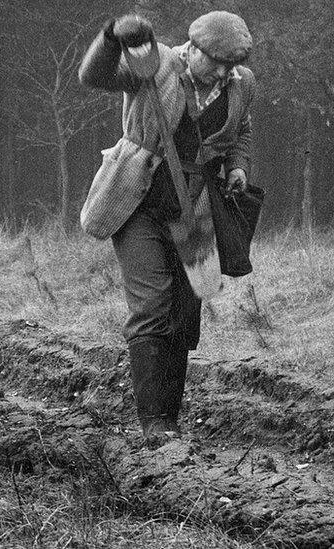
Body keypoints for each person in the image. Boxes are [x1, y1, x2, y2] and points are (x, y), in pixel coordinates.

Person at [77, 12, 256, 440]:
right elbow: (95, 76)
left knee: (184, 312)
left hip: (194, 210)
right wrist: (110, 38)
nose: (222, 72)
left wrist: (237, 166)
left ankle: (169, 422)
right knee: (153, 306)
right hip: (136, 201)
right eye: (215, 62)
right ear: (191, 49)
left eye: (230, 65)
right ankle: (154, 425)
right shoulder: (153, 64)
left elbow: (242, 131)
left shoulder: (241, 83)